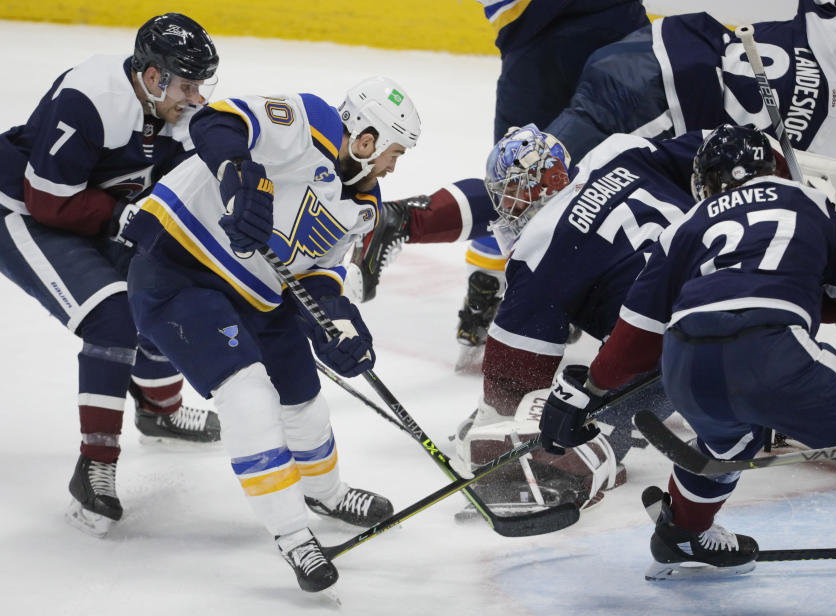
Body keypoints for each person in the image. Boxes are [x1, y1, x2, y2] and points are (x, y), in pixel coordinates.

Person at [352, 0, 836, 361]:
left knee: (542, 173)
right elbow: (803, 238)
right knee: (552, 184)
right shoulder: (821, 149)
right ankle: (406, 222)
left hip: (639, 46)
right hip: (650, 104)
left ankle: (407, 221)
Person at [537, 124, 836, 615]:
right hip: (775, 351)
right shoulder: (810, 200)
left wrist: (586, 393)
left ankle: (682, 534)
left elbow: (634, 337)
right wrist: (794, 290)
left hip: (685, 364)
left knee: (728, 443)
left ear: (707, 180)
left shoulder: (686, 225)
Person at [122, 76, 421, 592]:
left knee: (303, 397)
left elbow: (322, 274)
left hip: (259, 293)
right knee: (249, 395)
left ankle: (325, 491)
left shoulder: (364, 204)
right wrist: (238, 171)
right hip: (174, 267)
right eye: (393, 151)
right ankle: (292, 534)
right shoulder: (309, 123)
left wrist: (337, 323)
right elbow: (217, 120)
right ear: (366, 140)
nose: (394, 165)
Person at [0, 13, 223, 538]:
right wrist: (129, 215)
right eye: (187, 84)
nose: (196, 97)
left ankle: (159, 410)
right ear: (151, 77)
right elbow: (50, 202)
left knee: (172, 282)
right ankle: (94, 466)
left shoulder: (179, 110)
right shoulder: (91, 95)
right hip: (23, 212)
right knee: (112, 318)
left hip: (91, 206)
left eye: (200, 85)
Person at [352, 0, 649, 369]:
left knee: (521, 172)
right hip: (616, 34)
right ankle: (582, 296)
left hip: (534, 42)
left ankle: (483, 292)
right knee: (617, 171)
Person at [451, 123, 706, 515]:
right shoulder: (620, 152)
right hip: (750, 283)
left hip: (680, 349)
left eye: (514, 193)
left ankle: (587, 455)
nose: (508, 208)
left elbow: (513, 375)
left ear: (545, 180)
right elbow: (712, 150)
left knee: (565, 440)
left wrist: (495, 425)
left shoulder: (540, 244)